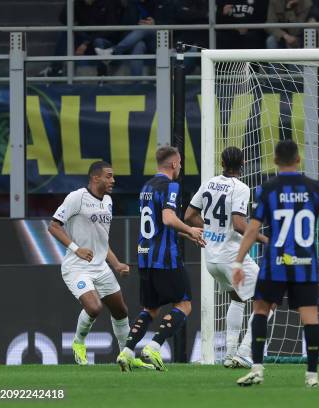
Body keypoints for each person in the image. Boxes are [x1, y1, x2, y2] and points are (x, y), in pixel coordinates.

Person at [232, 139, 319, 387]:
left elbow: (252, 230)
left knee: (261, 311)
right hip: (305, 265)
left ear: (274, 161)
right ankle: (312, 376)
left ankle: (257, 369)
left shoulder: (267, 189)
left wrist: (238, 262)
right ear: (298, 160)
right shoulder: (315, 187)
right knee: (310, 317)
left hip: (276, 263)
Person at [48, 161, 150, 368]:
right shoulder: (77, 197)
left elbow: (102, 242)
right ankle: (78, 343)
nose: (113, 180)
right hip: (76, 266)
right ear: (95, 178)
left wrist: (116, 264)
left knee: (121, 311)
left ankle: (125, 356)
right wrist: (77, 248)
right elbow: (54, 226)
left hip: (100, 267)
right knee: (94, 307)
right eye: (109, 176)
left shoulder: (108, 202)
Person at [116, 146, 205, 372]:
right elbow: (167, 219)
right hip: (165, 258)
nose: (181, 167)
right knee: (184, 304)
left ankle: (126, 351)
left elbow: (157, 224)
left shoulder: (147, 186)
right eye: (180, 163)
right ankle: (155, 346)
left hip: (145, 256)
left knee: (150, 309)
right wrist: (192, 230)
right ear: (174, 164)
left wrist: (185, 234)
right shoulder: (171, 186)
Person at [185, 146, 271, 369]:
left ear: (222, 163)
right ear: (242, 164)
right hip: (230, 256)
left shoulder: (208, 183)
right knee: (268, 298)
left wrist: (212, 229)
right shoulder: (241, 187)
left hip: (211, 259)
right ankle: (245, 352)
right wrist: (264, 240)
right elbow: (239, 224)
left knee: (237, 298)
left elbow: (189, 215)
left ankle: (230, 354)